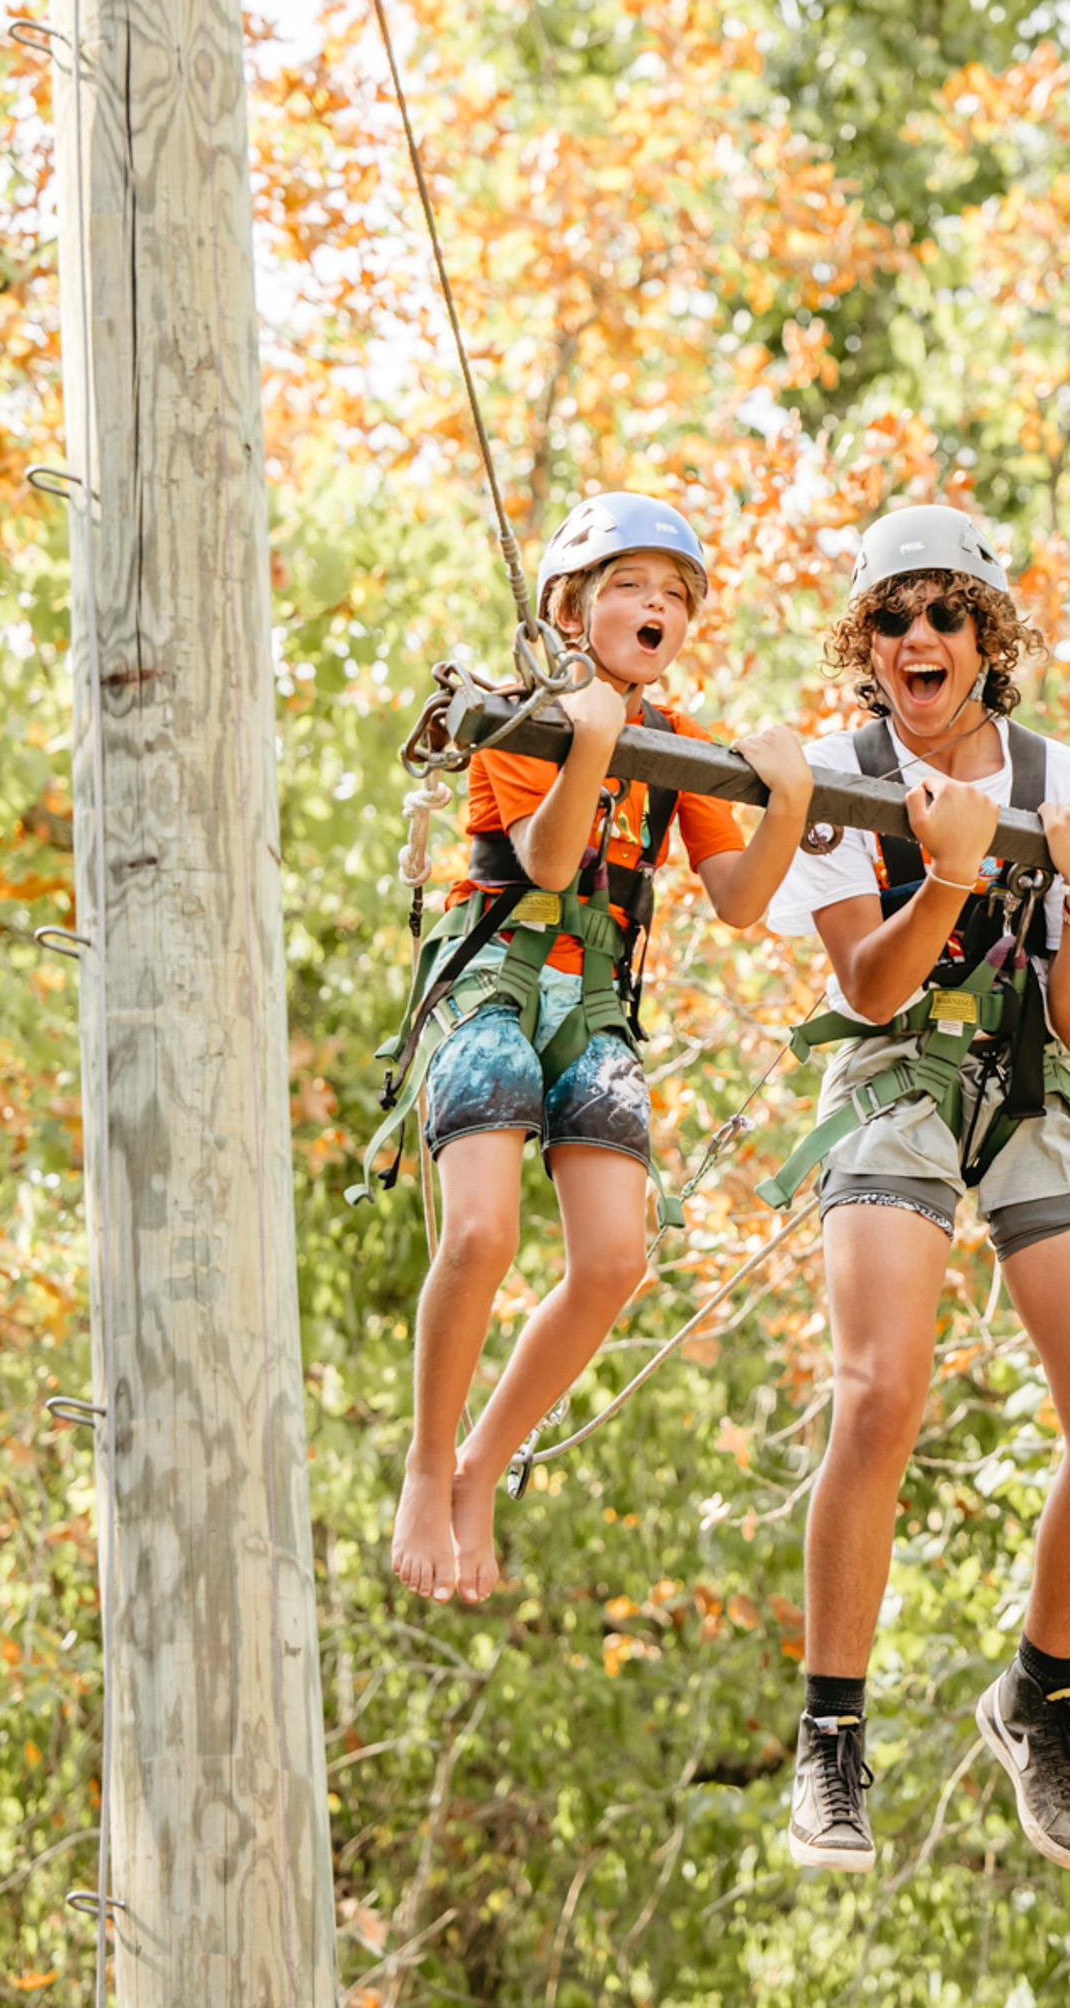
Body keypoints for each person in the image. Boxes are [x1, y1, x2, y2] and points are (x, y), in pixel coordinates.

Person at [763, 504, 1070, 1873]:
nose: (918, 639)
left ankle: (1038, 1696)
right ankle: (832, 1736)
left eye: (944, 615)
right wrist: (942, 874)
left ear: (988, 640)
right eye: (893, 619)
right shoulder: (836, 777)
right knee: (881, 1392)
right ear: (866, 647)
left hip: (1034, 1078)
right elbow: (867, 982)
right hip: (896, 1076)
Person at [386, 493, 813, 1605]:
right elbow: (544, 856)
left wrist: (787, 800)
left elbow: (737, 900)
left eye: (673, 595)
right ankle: (428, 1464)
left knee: (615, 1260)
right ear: (569, 606)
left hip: (596, 1001)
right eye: (631, 586)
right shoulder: (516, 716)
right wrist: (585, 740)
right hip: (495, 978)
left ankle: (483, 1461)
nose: (655, 606)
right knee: (481, 1227)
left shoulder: (672, 747)